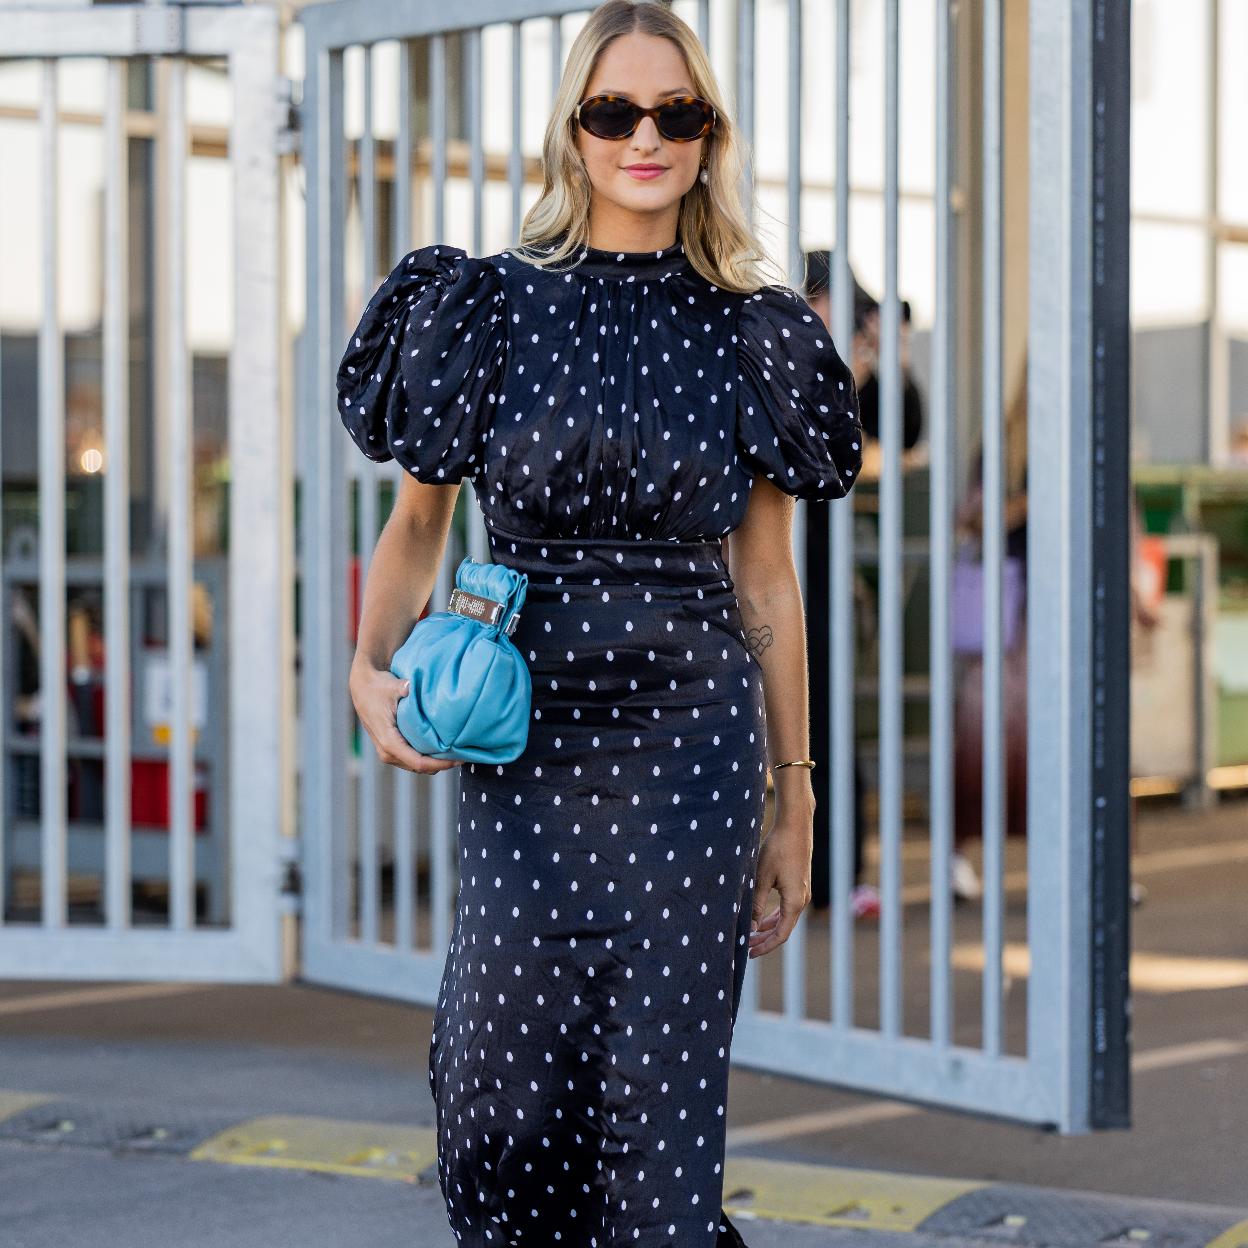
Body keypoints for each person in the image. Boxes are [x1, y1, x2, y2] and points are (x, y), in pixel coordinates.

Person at [335, 3, 863, 1245]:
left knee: (652, 1115)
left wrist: (795, 797)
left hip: (690, 752)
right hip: (528, 749)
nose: (645, 137)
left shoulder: (756, 332)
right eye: (614, 111)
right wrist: (367, 672)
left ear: (708, 135)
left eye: (675, 114)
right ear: (572, 131)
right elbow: (420, 530)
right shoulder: (488, 310)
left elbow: (768, 581)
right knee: (496, 1103)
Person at [801, 249, 924, 919]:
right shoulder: (766, 352)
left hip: (809, 571)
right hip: (722, 568)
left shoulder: (852, 373)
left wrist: (886, 360)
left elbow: (904, 432)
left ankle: (836, 871)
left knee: (822, 724)